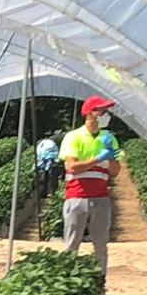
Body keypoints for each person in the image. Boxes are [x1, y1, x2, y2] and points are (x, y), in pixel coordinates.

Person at [59, 96, 123, 275]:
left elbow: (115, 171)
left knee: (101, 244)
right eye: (101, 110)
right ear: (89, 113)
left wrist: (109, 156)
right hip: (76, 197)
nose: (105, 114)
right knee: (72, 243)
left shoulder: (108, 138)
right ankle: (68, 280)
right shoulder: (73, 137)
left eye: (106, 111)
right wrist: (98, 158)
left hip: (101, 198)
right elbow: (72, 167)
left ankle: (100, 281)